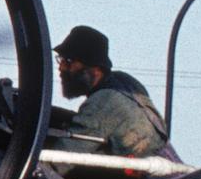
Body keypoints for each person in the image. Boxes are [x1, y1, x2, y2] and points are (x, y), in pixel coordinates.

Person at [54, 26, 170, 158]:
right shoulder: (125, 81)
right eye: (61, 59)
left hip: (139, 169)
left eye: (69, 61)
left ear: (95, 69)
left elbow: (62, 158)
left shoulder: (103, 101)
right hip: (160, 163)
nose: (61, 67)